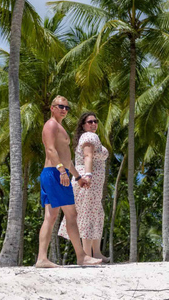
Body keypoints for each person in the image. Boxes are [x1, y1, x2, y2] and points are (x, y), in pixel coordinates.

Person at [36, 96, 101, 268]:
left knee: (51, 217)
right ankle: (81, 256)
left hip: (55, 173)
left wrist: (77, 177)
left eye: (67, 107)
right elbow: (50, 149)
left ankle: (42, 258)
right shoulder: (51, 125)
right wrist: (61, 170)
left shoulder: (60, 127)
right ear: (52, 108)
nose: (64, 110)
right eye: (61, 107)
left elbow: (66, 158)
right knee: (71, 215)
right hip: (54, 173)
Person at [59, 111, 110, 262]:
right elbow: (88, 156)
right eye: (90, 122)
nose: (94, 124)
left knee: (96, 214)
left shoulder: (90, 137)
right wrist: (88, 175)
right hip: (88, 181)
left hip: (93, 184)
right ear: (83, 125)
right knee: (88, 214)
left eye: (95, 121)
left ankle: (97, 252)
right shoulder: (89, 137)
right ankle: (87, 254)